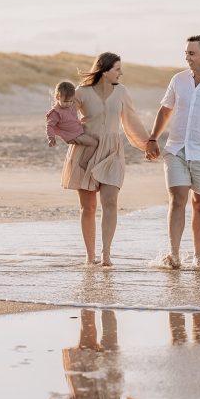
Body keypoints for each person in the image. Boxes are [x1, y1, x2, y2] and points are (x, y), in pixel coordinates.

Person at [146, 35, 200, 269]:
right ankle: (173, 255)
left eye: (191, 53)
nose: (187, 58)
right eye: (186, 53)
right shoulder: (178, 80)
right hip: (176, 149)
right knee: (177, 200)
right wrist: (153, 138)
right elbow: (165, 111)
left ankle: (197, 257)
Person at [61, 53, 150, 267]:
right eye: (117, 69)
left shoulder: (121, 92)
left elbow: (131, 120)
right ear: (104, 70)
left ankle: (106, 254)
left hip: (112, 152)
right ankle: (90, 256)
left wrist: (148, 144)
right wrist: (80, 137)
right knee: (88, 207)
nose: (121, 73)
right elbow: (65, 119)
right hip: (85, 151)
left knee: (110, 202)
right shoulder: (81, 92)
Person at [47, 80, 99, 170]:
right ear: (57, 97)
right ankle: (83, 162)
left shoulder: (71, 104)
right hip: (71, 135)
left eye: (71, 101)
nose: (69, 104)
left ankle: (91, 159)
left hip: (77, 131)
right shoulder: (55, 112)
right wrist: (51, 138)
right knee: (94, 143)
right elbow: (50, 126)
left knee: (94, 134)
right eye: (66, 102)